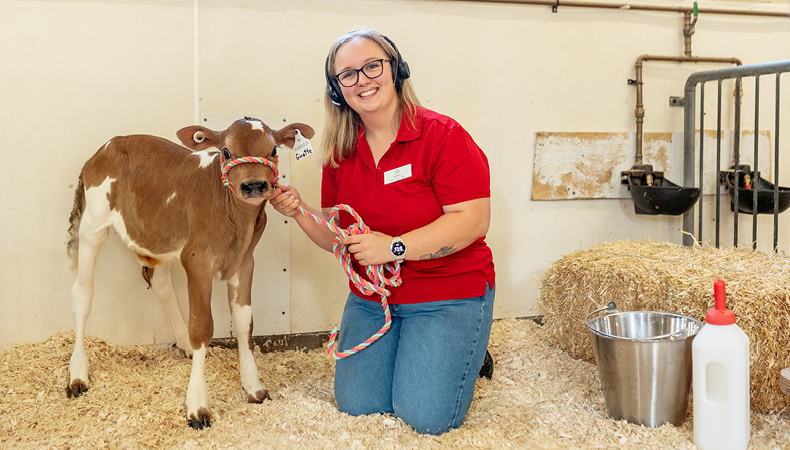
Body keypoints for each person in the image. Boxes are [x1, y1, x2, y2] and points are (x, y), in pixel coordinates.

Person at [269, 29, 495, 435]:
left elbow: (472, 220)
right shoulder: (340, 150)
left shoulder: (442, 135)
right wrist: (301, 211)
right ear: (337, 90)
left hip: (447, 294)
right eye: (348, 74)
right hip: (375, 297)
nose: (363, 80)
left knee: (425, 416)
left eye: (373, 66)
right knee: (360, 406)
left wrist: (393, 247)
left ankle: (468, 346)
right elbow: (340, 239)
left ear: (397, 71)